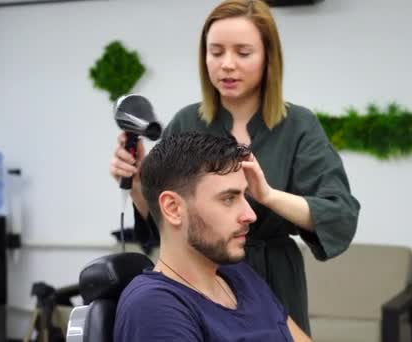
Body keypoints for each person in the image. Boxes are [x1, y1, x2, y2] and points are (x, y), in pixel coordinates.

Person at [109, 0, 360, 334]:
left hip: (273, 278)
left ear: (269, 56)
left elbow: (339, 215)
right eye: (216, 52)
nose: (227, 65)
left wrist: (268, 196)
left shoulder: (298, 125)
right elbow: (166, 218)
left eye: (243, 53)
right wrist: (138, 181)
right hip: (203, 279)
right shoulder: (187, 121)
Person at [113, 132, 312, 341]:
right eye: (228, 199)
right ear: (173, 208)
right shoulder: (154, 308)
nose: (250, 215)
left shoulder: (241, 276)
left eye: (245, 196)